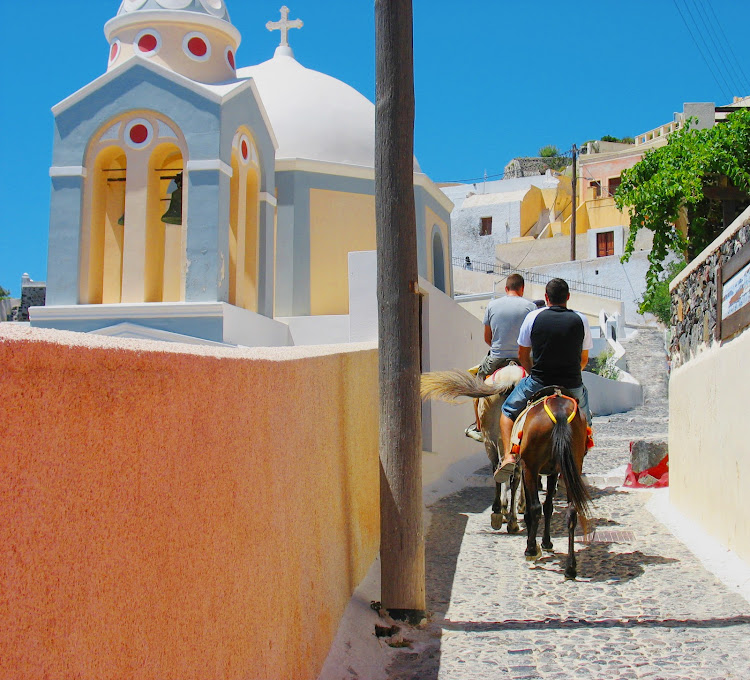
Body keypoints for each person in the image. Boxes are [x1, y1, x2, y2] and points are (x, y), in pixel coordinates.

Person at [495, 277, 593, 482]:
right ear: (567, 297)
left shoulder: (533, 318)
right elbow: (583, 360)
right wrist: (572, 374)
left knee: (507, 411)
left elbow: (523, 355)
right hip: (571, 384)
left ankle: (508, 456)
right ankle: (580, 457)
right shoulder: (581, 319)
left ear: (546, 298)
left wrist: (532, 374)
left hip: (539, 381)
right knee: (585, 419)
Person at [465, 273, 536, 442]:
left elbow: (487, 338)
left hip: (497, 358)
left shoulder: (492, 306)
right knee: (541, 385)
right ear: (522, 288)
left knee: (478, 384)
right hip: (523, 359)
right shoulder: (530, 307)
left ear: (506, 288)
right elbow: (533, 337)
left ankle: (479, 426)